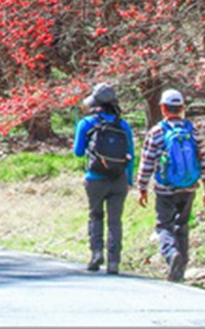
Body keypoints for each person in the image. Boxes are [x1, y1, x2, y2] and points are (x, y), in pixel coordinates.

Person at [136, 88, 205, 282]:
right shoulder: (193, 131)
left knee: (164, 226)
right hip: (189, 187)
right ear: (181, 109)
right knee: (182, 225)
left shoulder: (156, 132)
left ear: (163, 108)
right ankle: (181, 267)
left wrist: (142, 187)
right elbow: (203, 160)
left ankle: (172, 255)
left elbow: (146, 162)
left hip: (165, 189)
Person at [73, 82, 135, 275]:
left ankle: (96, 254)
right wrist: (129, 180)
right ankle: (114, 261)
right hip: (118, 179)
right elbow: (131, 154)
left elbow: (78, 152)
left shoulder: (87, 123)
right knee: (115, 220)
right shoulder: (123, 125)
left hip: (95, 177)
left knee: (96, 215)